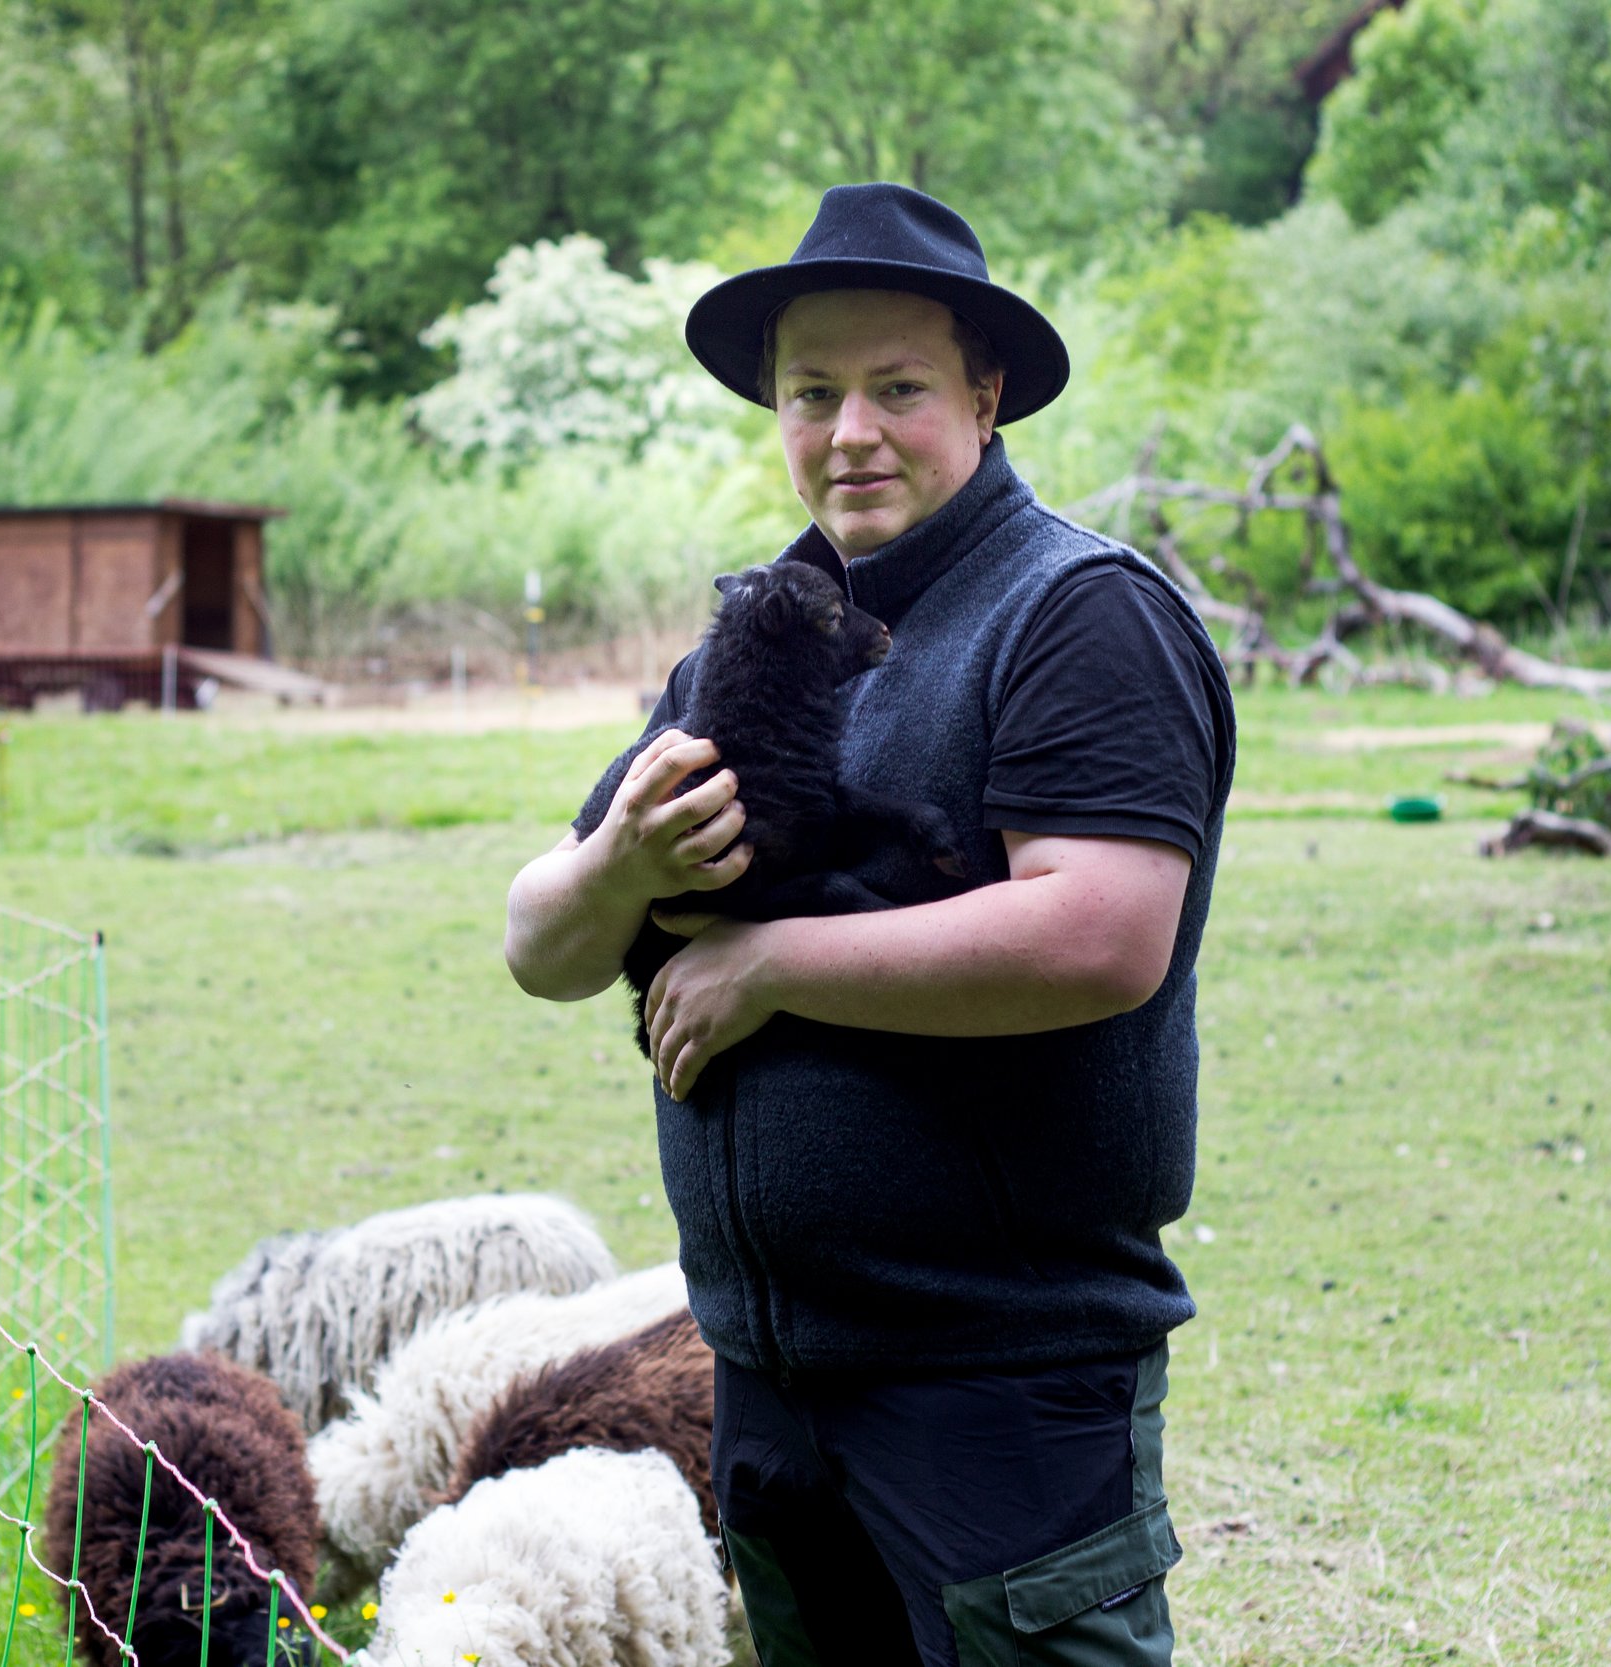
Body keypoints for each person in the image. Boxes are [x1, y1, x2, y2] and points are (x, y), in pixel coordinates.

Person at [502, 183, 1236, 1667]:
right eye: (811, 392)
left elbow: (1098, 936)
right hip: (769, 1380)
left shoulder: (1075, 614)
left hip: (995, 1381)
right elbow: (541, 943)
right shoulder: (760, 631)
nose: (849, 433)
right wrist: (625, 865)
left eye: (897, 387)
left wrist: (769, 965)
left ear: (988, 390)